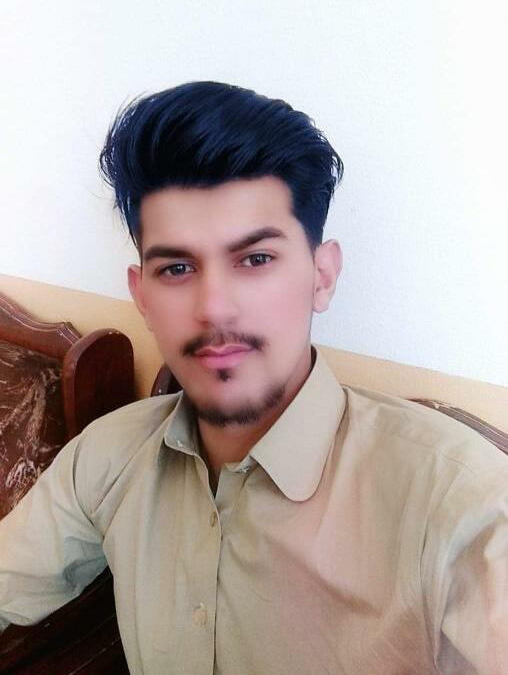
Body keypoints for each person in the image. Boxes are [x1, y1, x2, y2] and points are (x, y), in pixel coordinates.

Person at [0, 81, 507, 675]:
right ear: (142, 295)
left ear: (322, 276)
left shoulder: (460, 506)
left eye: (256, 259)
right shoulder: (107, 458)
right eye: (177, 268)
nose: (215, 308)